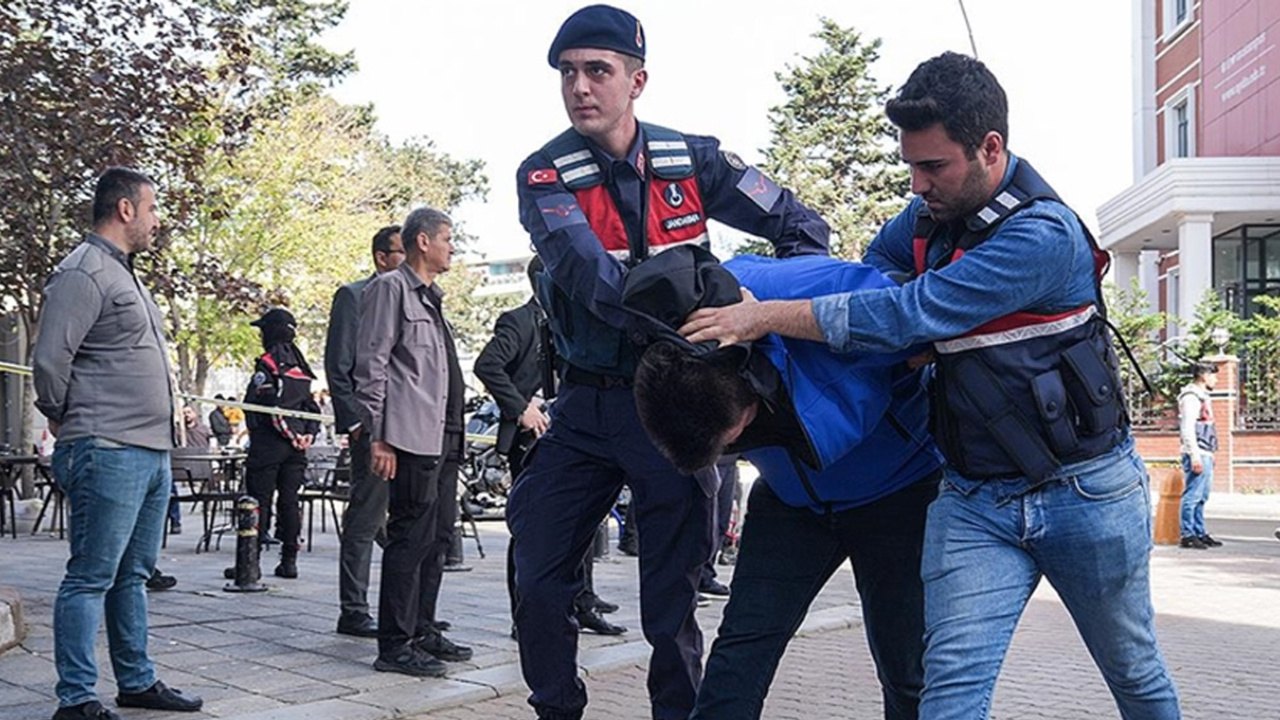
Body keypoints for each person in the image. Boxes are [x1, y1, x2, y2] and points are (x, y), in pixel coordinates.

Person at [681, 52, 1182, 719]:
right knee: (945, 694)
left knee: (1133, 672)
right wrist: (905, 338)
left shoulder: (1043, 235)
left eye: (934, 166)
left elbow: (905, 313)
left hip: (1083, 493)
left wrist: (762, 315)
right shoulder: (923, 222)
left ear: (990, 147)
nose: (917, 184)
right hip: (976, 501)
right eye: (911, 166)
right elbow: (872, 280)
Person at [511, 6, 830, 718]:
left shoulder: (693, 159)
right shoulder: (544, 174)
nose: (580, 87)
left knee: (672, 602)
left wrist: (771, 304)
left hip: (674, 412)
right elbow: (595, 281)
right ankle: (556, 708)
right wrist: (701, 302)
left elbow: (799, 222)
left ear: (637, 79)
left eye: (598, 70)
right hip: (587, 409)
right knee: (537, 577)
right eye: (568, 73)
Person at [628, 247, 944, 720]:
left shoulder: (807, 287)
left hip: (896, 489)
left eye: (742, 433)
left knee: (906, 666)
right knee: (741, 650)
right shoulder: (667, 344)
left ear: (747, 372)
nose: (745, 444)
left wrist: (783, 321)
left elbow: (923, 319)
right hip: (792, 500)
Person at [33, 166, 203, 720]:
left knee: (132, 576)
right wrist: (65, 419)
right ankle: (77, 699)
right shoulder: (83, 271)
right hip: (106, 447)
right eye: (152, 209)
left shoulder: (123, 274)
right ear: (125, 209)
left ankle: (136, 680)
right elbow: (50, 361)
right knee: (90, 576)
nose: (157, 220)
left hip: (150, 451)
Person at [473, 256, 625, 638]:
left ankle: (582, 601)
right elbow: (487, 365)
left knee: (584, 520)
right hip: (531, 437)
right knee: (531, 525)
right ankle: (524, 613)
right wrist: (521, 406)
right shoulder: (520, 320)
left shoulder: (574, 319)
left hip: (574, 431)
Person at [355, 207, 472, 677]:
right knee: (409, 536)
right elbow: (372, 364)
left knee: (438, 536)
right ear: (422, 241)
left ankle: (422, 628)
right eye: (448, 238)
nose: (452, 247)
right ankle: (395, 644)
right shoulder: (390, 288)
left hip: (443, 434)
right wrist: (379, 436)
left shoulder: (431, 297)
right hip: (408, 436)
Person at [327, 224, 405, 638]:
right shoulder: (354, 296)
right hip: (373, 429)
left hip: (410, 428)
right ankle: (353, 609)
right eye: (400, 252)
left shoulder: (416, 298)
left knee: (398, 525)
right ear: (381, 257)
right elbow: (339, 367)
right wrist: (358, 423)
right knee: (366, 517)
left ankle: (407, 607)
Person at [242, 307, 321, 580]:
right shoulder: (300, 365)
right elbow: (311, 406)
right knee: (290, 502)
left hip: (269, 446)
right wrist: (308, 434)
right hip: (296, 448)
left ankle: (250, 563)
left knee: (258, 501)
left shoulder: (268, 363)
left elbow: (268, 406)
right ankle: (289, 561)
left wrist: (291, 434)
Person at [1178, 361, 1221, 549]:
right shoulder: (1191, 398)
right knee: (1192, 495)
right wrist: (1194, 455)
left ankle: (1199, 531)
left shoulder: (1203, 396)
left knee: (1202, 495)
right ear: (1203, 376)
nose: (1216, 379)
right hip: (1197, 452)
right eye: (1213, 375)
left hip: (1206, 451)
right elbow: (1188, 428)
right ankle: (1187, 534)